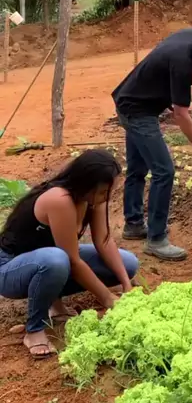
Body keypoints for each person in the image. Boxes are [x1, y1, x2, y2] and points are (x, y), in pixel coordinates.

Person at [112, 17, 192, 261]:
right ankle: (156, 239)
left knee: (138, 168)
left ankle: (133, 224)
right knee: (164, 171)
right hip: (137, 110)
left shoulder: (191, 38)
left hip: (131, 100)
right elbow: (181, 115)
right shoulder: (182, 61)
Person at [0, 149, 139, 360]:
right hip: (10, 267)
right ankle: (34, 329)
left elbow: (103, 240)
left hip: (50, 258)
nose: (107, 197)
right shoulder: (60, 199)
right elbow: (73, 261)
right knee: (56, 261)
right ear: (86, 184)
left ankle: (56, 306)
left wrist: (126, 286)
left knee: (128, 264)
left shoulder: (92, 199)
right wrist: (108, 298)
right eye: (103, 191)